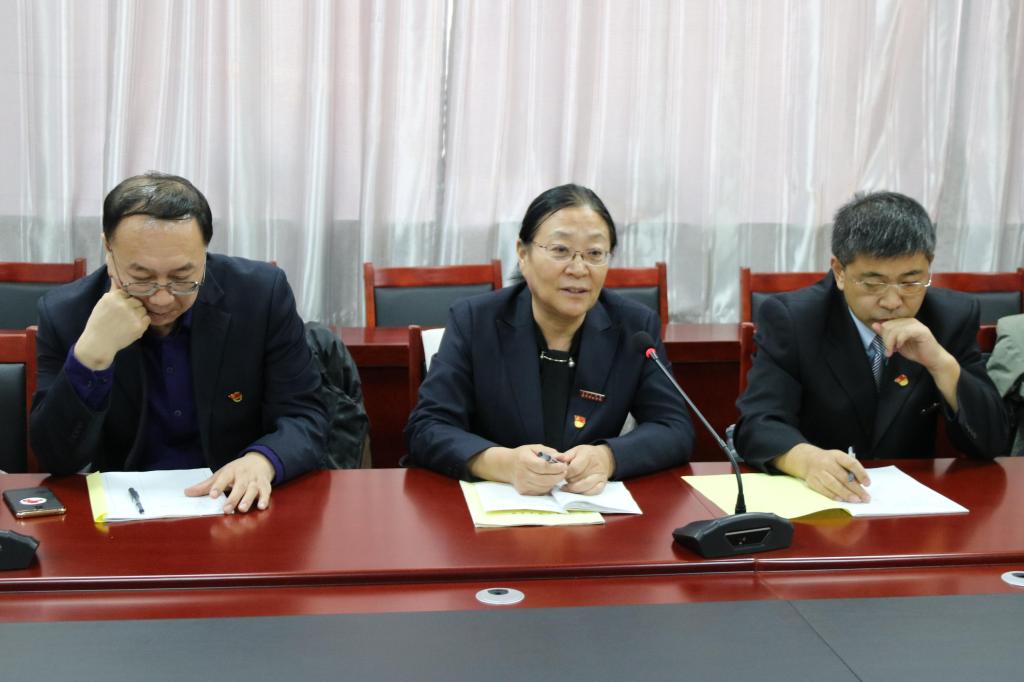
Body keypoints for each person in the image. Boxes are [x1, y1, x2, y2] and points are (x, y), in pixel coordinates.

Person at [30, 172, 326, 513]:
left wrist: (263, 460)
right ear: (108, 249)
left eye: (183, 278)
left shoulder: (260, 296)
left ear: (204, 252)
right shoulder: (67, 313)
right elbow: (57, 458)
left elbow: (305, 415)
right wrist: (92, 355)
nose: (162, 298)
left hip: (235, 505)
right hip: (123, 515)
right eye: (141, 278)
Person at [405, 184, 695, 495]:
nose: (579, 269)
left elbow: (674, 428)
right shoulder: (475, 321)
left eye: (595, 253)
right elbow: (427, 427)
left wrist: (608, 457)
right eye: (560, 250)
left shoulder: (634, 327)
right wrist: (503, 464)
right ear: (523, 254)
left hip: (591, 509)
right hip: (494, 510)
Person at [734, 191, 1009, 502]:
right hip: (817, 501)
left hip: (913, 505)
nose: (892, 301)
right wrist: (806, 460)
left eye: (910, 282)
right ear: (839, 272)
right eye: (873, 283)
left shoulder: (950, 318)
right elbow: (758, 423)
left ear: (928, 268)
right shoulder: (795, 319)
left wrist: (941, 364)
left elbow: (993, 441)